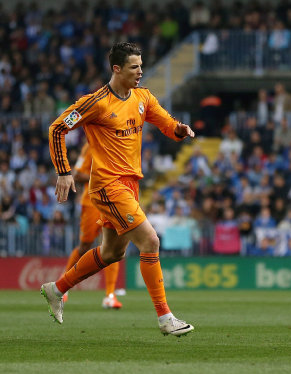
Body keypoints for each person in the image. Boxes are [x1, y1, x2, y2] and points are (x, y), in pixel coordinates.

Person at [40, 42, 195, 337]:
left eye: (141, 66)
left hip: (130, 184)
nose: (140, 72)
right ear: (117, 69)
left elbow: (166, 123)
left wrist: (179, 129)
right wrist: (63, 171)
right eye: (134, 67)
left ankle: (56, 289)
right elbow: (57, 128)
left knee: (111, 253)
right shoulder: (96, 103)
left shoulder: (143, 98)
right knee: (150, 241)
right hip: (108, 186)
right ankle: (165, 318)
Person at [62, 141, 123, 309]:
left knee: (111, 247)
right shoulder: (89, 147)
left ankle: (110, 295)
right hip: (91, 203)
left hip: (112, 200)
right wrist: (101, 176)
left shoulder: (116, 143)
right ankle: (63, 287)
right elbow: (78, 175)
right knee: (84, 245)